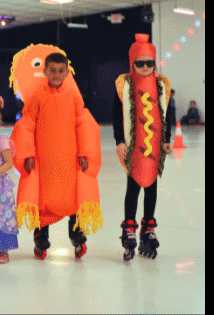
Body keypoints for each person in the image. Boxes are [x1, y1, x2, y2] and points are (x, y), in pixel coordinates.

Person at [9, 47, 102, 260]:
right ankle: (41, 237)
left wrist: (86, 153)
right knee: (43, 199)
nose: (57, 75)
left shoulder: (73, 96)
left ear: (67, 72)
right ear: (45, 71)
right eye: (53, 70)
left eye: (61, 71)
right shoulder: (37, 97)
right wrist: (27, 154)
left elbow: (83, 124)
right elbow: (27, 125)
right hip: (45, 160)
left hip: (69, 159)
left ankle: (76, 233)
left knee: (72, 196)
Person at [114, 34, 173, 260]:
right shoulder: (124, 84)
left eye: (150, 63)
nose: (146, 67)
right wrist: (119, 140)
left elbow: (168, 111)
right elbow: (116, 114)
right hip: (134, 145)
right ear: (132, 63)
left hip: (155, 144)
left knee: (152, 186)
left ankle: (148, 228)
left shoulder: (161, 84)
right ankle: (129, 227)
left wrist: (167, 139)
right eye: (140, 63)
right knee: (134, 186)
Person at [0, 134, 15, 263]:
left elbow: (9, 163)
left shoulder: (1, 140)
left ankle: (3, 249)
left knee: (2, 218)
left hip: (1, 188)